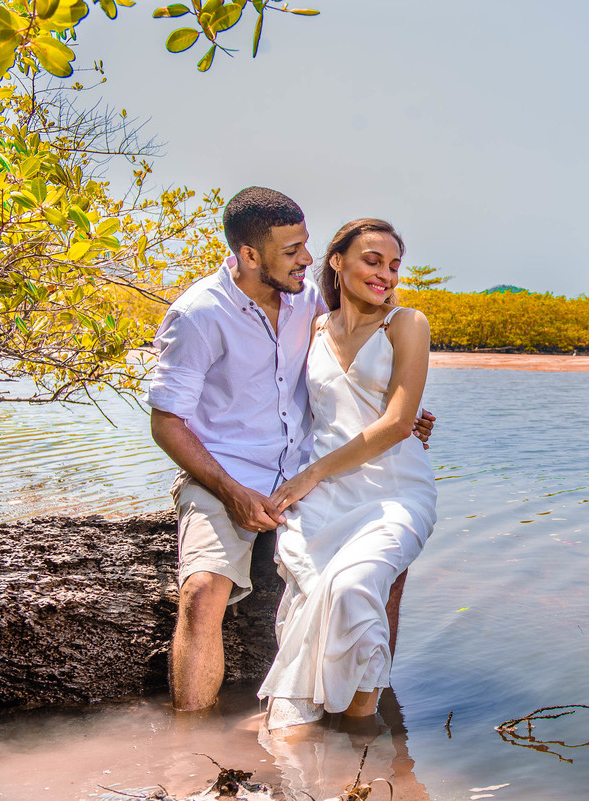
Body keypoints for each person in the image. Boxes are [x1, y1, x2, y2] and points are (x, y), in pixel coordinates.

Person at [148, 188, 432, 712]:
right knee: (202, 591)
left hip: (308, 471)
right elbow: (166, 422)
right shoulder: (198, 314)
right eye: (291, 250)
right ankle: (189, 744)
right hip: (226, 471)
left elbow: (353, 368)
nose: (305, 257)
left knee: (380, 577)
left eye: (305, 244)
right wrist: (230, 491)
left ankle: (367, 713)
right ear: (250, 255)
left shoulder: (308, 301)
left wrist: (403, 414)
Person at [256, 218, 436, 730]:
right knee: (314, 593)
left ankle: (359, 730)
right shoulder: (312, 327)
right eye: (372, 261)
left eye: (394, 266)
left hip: (395, 490)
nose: (385, 275)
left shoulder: (406, 323)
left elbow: (398, 423)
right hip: (326, 496)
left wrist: (309, 475)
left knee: (354, 586)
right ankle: (325, 745)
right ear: (337, 261)